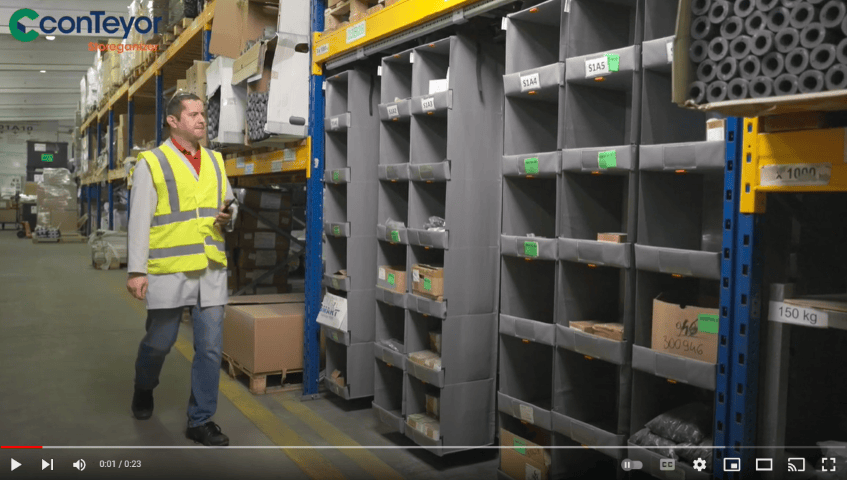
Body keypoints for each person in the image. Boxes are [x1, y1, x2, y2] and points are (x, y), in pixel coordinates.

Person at [126, 92, 237, 446]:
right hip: (169, 269)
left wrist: (229, 217)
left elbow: (229, 208)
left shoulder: (217, 161)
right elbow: (139, 220)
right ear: (174, 121)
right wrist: (136, 271)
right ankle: (144, 387)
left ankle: (200, 420)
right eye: (192, 114)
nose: (202, 119)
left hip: (210, 268)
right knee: (160, 342)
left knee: (209, 349)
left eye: (203, 113)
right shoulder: (152, 162)